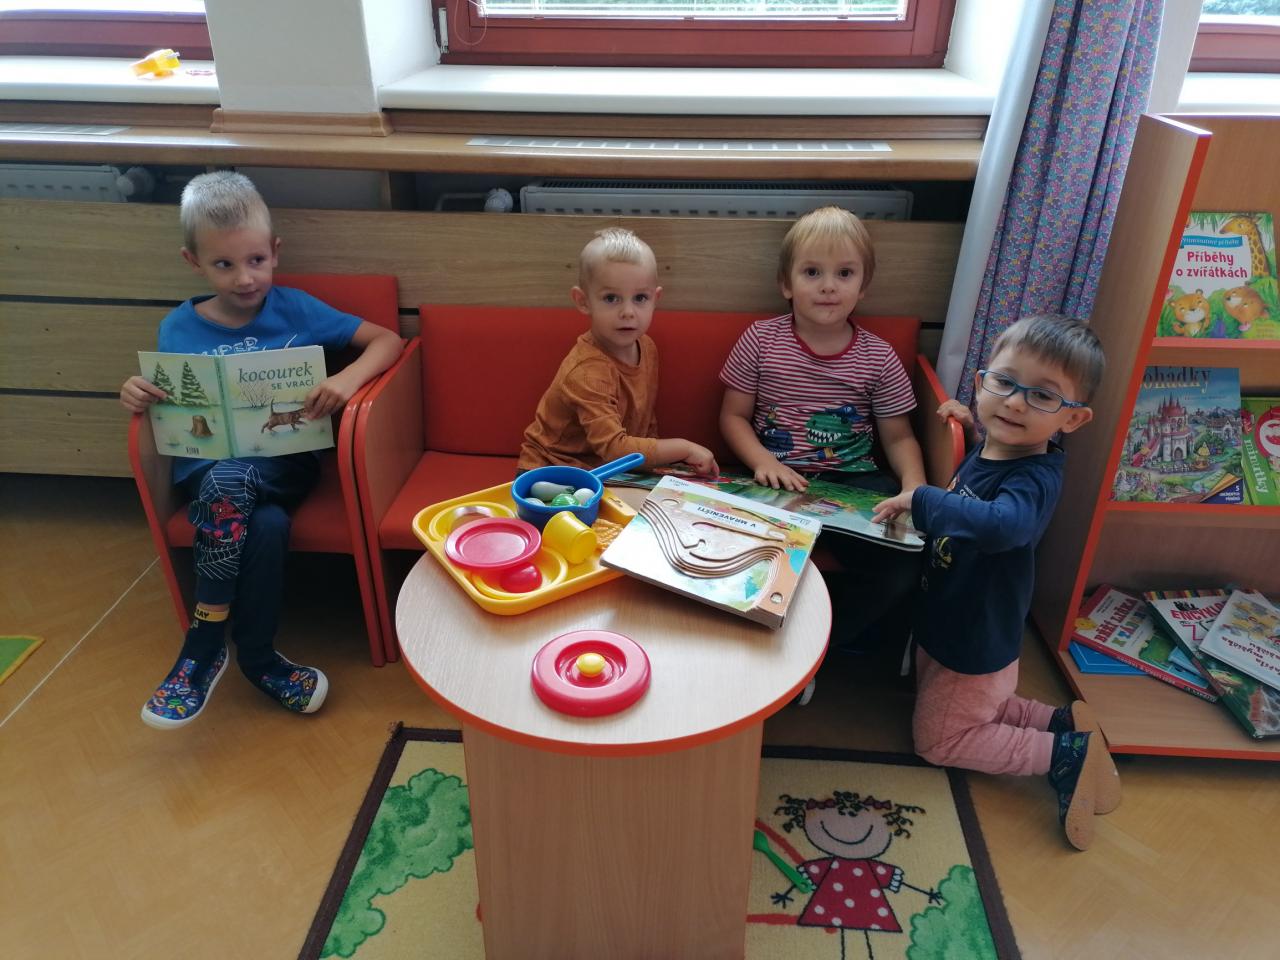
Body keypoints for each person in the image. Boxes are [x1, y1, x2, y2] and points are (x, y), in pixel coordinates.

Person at [119, 171, 402, 729]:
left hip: (284, 464)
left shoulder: (296, 309)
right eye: (224, 264)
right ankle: (257, 658)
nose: (245, 277)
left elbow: (386, 341)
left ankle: (202, 648)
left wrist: (345, 381)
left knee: (239, 487)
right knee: (266, 525)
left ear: (275, 252)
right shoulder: (178, 327)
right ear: (193, 262)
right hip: (207, 473)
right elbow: (163, 398)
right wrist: (134, 391)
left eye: (255, 260)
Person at [870, 314, 1121, 850]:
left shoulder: (1035, 476)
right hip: (954, 620)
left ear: (1073, 419)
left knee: (939, 740)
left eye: (1042, 396)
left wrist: (924, 500)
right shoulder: (1002, 444)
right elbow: (987, 463)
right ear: (983, 381)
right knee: (971, 701)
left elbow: (1005, 524)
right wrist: (969, 421)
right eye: (1004, 383)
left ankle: (1064, 755)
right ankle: (1057, 721)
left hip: (974, 637)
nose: (1015, 404)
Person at [719, 205, 927, 650]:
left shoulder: (878, 357)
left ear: (863, 286)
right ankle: (755, 644)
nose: (829, 285)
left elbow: (899, 436)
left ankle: (817, 649)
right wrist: (763, 461)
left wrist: (915, 488)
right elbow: (732, 416)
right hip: (775, 479)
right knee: (732, 552)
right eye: (812, 272)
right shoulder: (760, 340)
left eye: (844, 273)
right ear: (786, 284)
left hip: (855, 483)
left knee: (903, 567)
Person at [518, 226, 719, 475]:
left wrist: (657, 466)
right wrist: (683, 448)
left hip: (610, 469)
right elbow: (614, 449)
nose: (628, 312)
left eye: (640, 298)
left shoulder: (646, 347)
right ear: (583, 301)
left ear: (655, 299)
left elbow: (644, 421)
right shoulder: (588, 371)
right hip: (550, 470)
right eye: (611, 298)